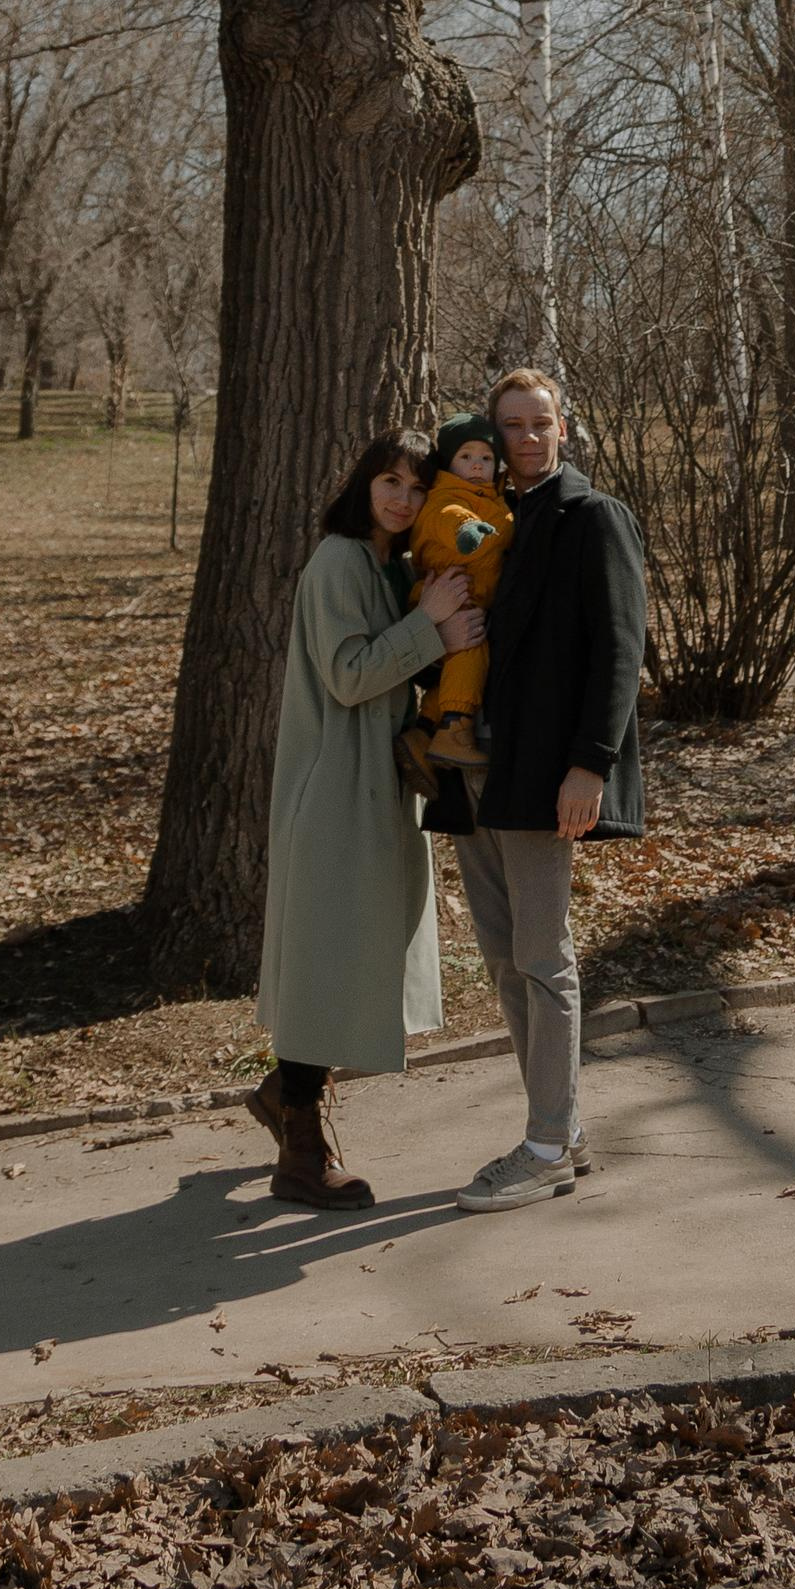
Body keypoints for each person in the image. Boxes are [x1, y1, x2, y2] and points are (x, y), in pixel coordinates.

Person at [431, 365, 646, 1212]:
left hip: (544, 773)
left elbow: (619, 651)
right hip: (472, 768)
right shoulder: (484, 517)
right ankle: (562, 1126)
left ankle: (545, 1146)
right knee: (499, 958)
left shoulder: (592, 518)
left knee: (541, 958)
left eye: (540, 422)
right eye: (511, 425)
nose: (526, 437)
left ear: (564, 428)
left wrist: (589, 764)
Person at [252, 431, 484, 1211]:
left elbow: (389, 662)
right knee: (324, 958)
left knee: (352, 954)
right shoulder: (337, 562)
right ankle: (300, 1149)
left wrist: (434, 625)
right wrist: (435, 626)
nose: (401, 500)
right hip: (330, 790)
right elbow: (349, 675)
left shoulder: (386, 565)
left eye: (418, 490)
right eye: (390, 481)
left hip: (371, 787)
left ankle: (283, 1091)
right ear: (364, 482)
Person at [401, 414, 514, 775]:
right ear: (449, 462)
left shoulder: (491, 498)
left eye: (485, 457)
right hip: (450, 596)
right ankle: (455, 727)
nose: (477, 465)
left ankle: (422, 734)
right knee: (470, 649)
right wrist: (468, 529)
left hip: (466, 596)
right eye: (466, 457)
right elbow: (446, 518)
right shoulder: (446, 496)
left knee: (460, 669)